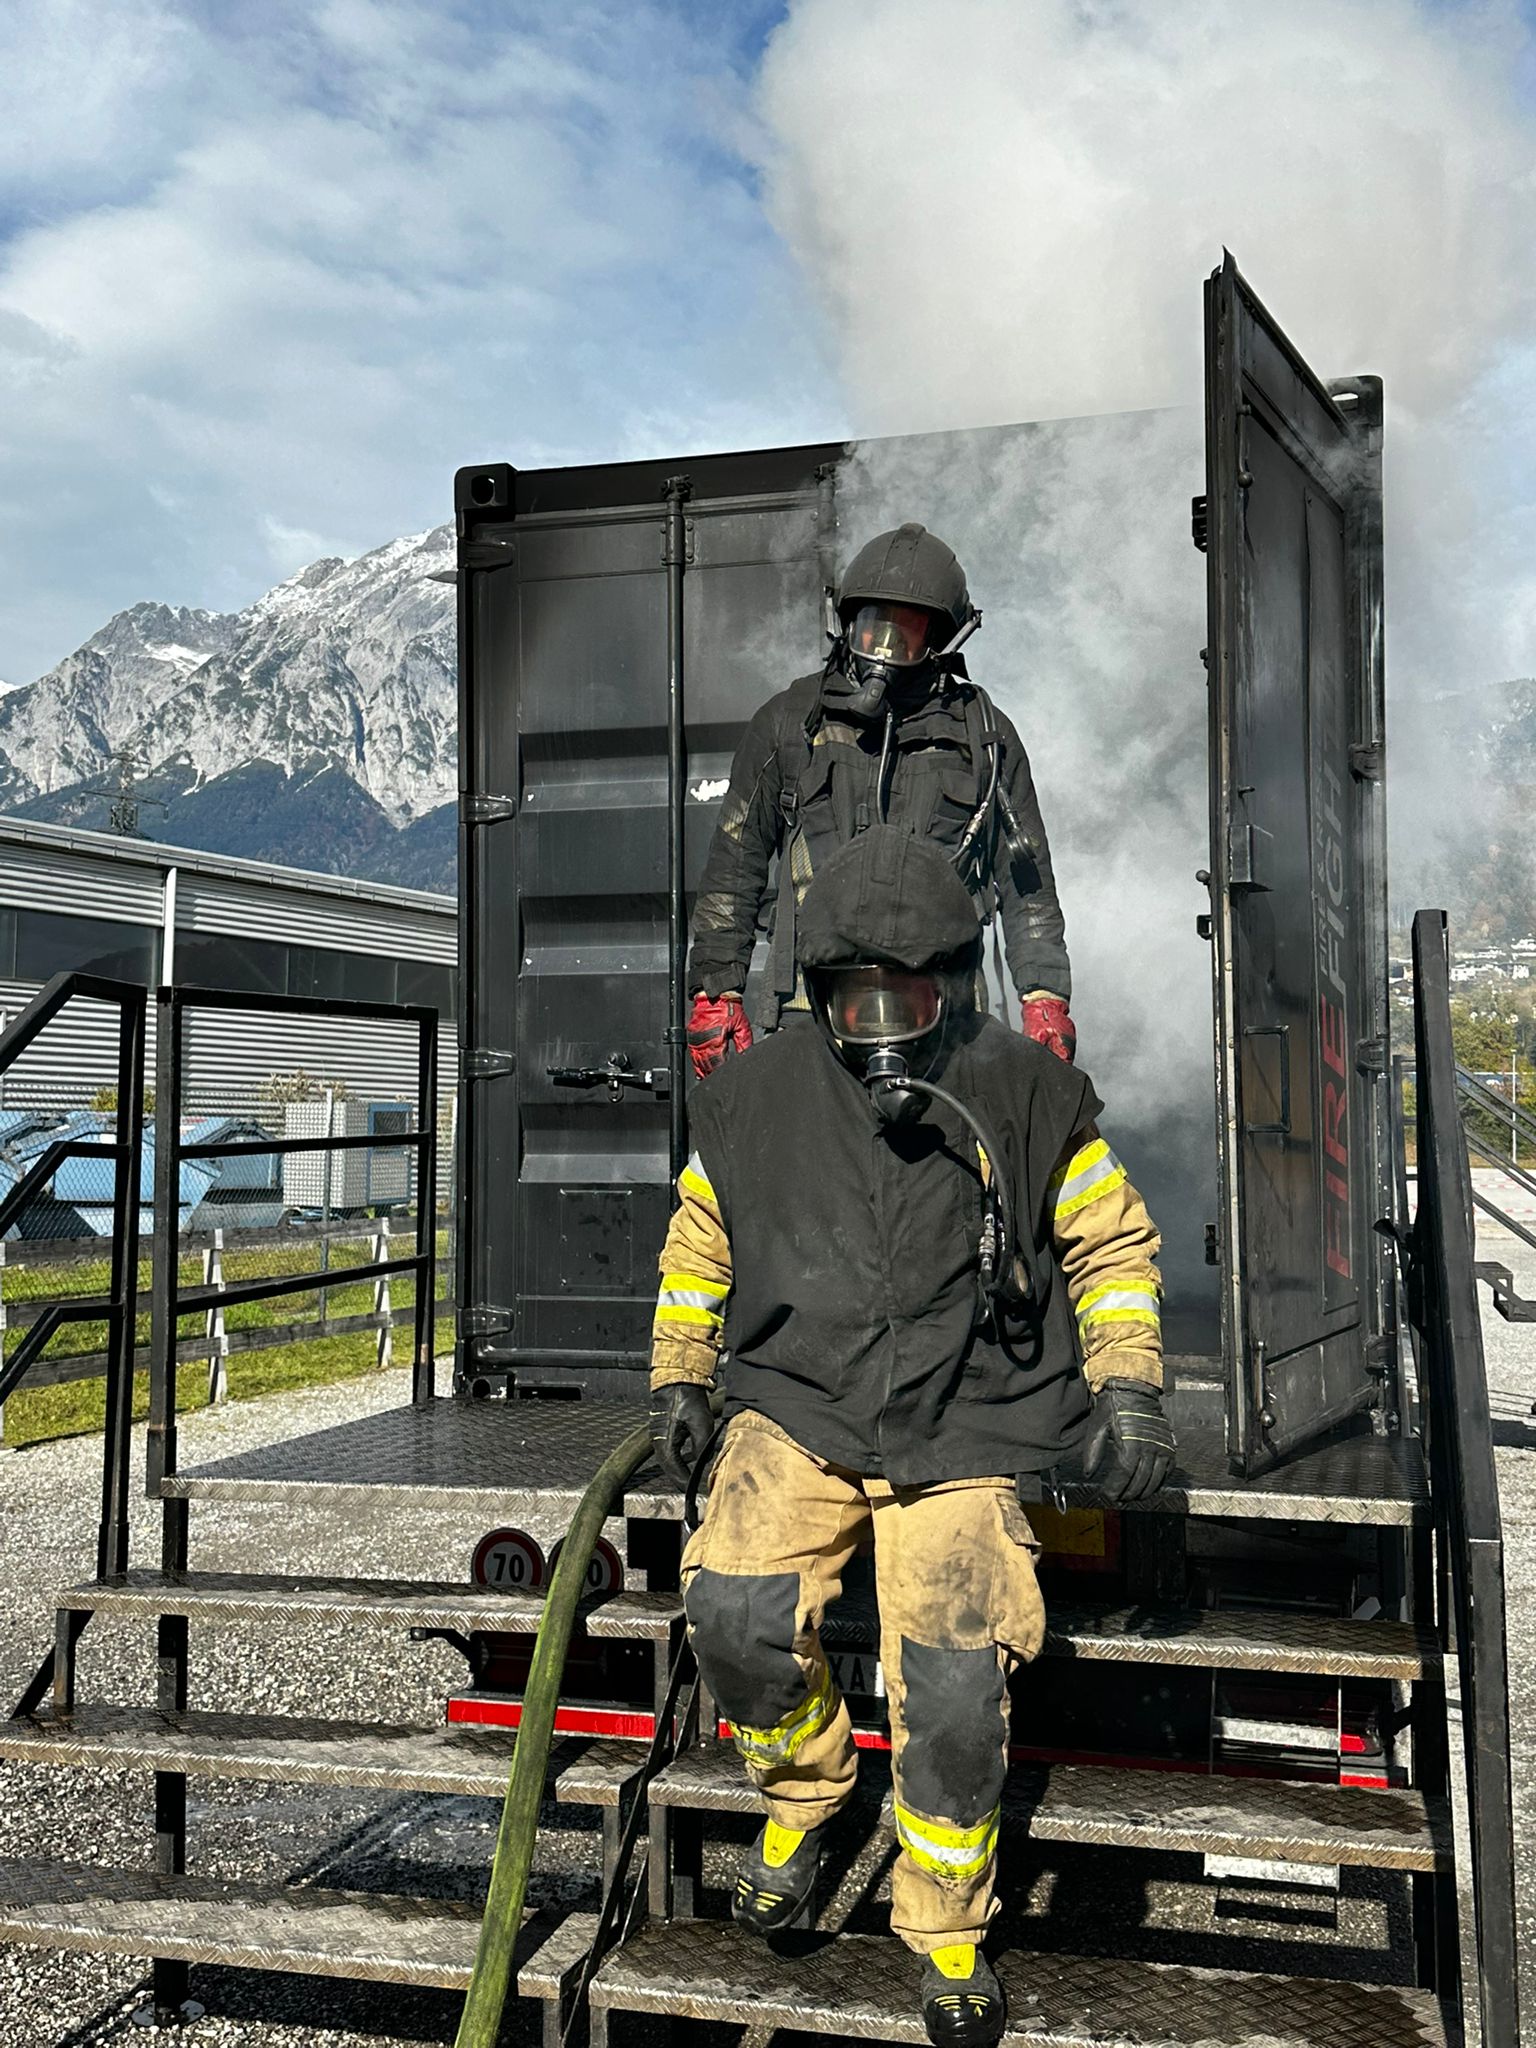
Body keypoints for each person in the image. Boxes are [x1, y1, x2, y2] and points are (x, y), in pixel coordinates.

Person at [649, 827, 1171, 2048]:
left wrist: (1131, 1386)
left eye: (909, 996)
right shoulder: (758, 1096)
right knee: (730, 1608)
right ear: (817, 988)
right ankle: (808, 1793)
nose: (880, 1022)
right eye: (854, 997)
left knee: (950, 1682)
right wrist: (680, 1374)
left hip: (965, 1412)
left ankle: (945, 1922)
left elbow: (1110, 1241)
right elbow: (698, 1243)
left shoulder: (1027, 1092)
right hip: (802, 1401)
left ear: (955, 986)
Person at [686, 523, 1076, 1079]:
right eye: (874, 626)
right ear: (847, 622)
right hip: (814, 1012)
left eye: (906, 630)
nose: (886, 647)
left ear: (941, 638)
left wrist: (1044, 996)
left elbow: (1027, 885)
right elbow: (733, 868)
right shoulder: (790, 723)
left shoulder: (984, 735)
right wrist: (716, 992)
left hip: (943, 1020)